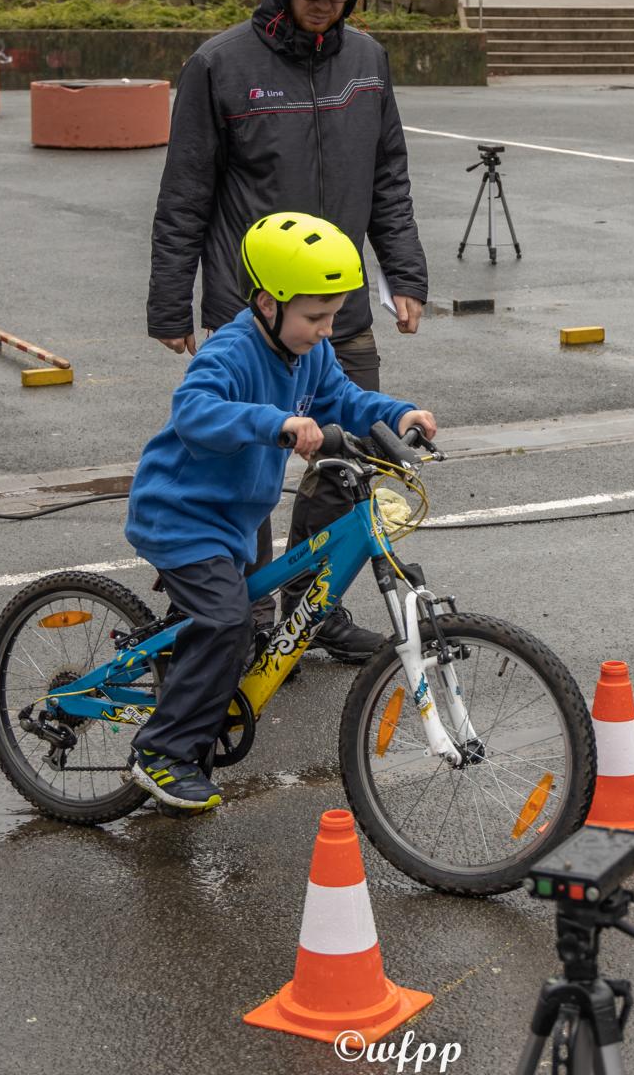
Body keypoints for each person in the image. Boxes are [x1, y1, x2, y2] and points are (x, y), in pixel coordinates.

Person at [149, 0, 430, 664]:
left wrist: (404, 272)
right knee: (250, 465)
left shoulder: (368, 61)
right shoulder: (220, 65)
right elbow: (185, 191)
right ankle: (243, 615)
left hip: (340, 307)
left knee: (348, 464)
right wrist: (171, 301)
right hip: (256, 308)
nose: (325, 6)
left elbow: (388, 177)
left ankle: (316, 613)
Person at [123, 212, 438, 811]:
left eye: (334, 317)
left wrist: (398, 414)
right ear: (268, 303)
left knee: (232, 628)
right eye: (315, 317)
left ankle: (190, 700)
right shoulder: (233, 350)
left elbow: (343, 397)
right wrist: (278, 424)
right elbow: (193, 409)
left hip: (238, 519)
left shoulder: (308, 354)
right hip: (182, 515)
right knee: (226, 622)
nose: (325, 330)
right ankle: (160, 751)